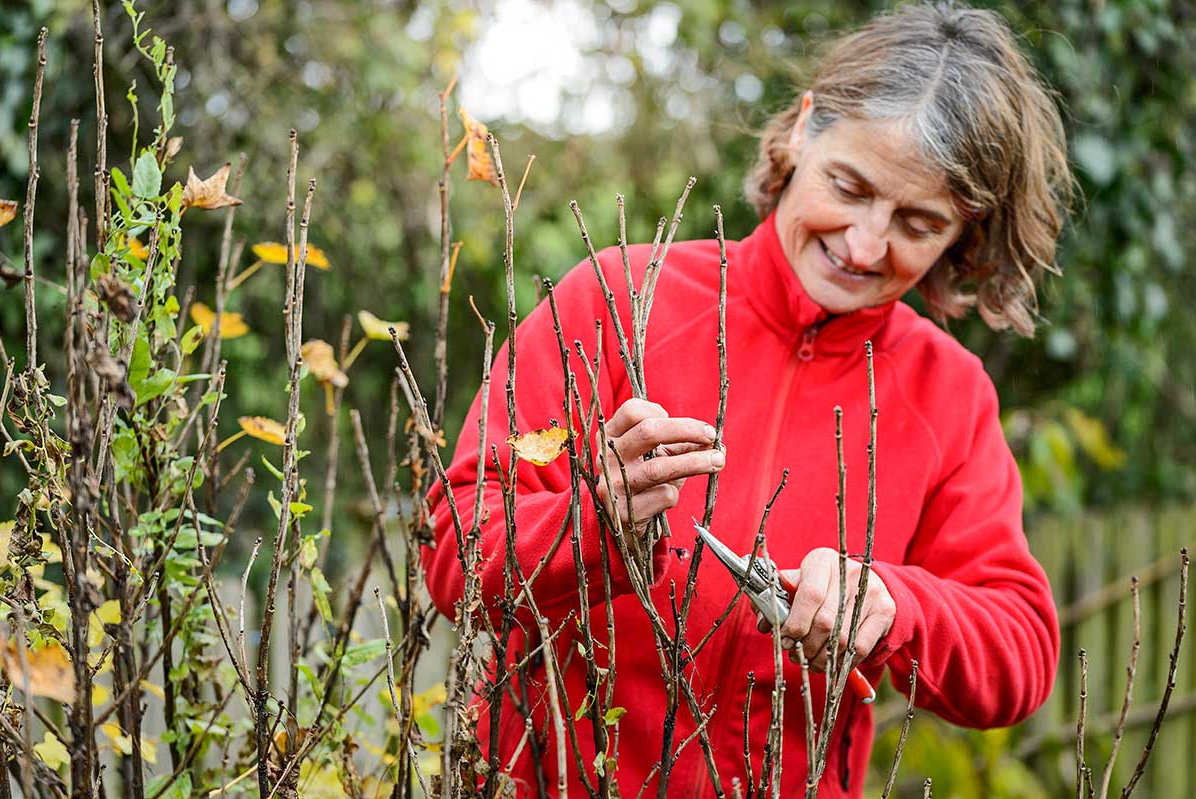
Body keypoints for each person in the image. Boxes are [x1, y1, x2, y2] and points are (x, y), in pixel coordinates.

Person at [425, 3, 1071, 796]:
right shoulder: (618, 298)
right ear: (802, 131)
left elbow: (1022, 654)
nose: (865, 244)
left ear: (963, 229)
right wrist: (595, 524)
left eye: (917, 221)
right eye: (849, 186)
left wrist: (895, 603)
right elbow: (452, 547)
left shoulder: (949, 393)